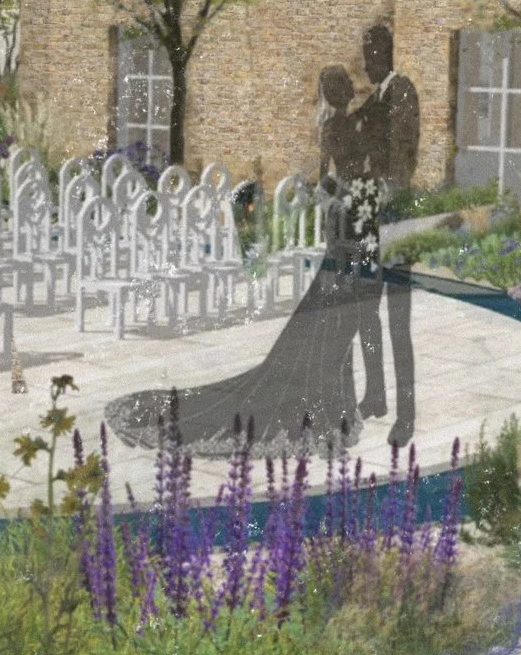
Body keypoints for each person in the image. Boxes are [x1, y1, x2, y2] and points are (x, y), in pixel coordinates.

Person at [105, 65, 372, 456]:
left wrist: (339, 192)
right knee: (333, 313)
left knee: (331, 313)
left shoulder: (334, 128)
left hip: (343, 219)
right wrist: (352, 193)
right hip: (349, 222)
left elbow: (325, 181)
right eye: (346, 85)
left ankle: (330, 408)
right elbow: (339, 177)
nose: (349, 88)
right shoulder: (347, 127)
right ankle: (329, 410)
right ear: (343, 91)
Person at [351, 23, 420, 445]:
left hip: (393, 220)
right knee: (364, 311)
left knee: (398, 321)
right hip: (369, 218)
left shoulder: (402, 92)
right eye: (364, 55)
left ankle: (406, 415)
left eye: (372, 55)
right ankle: (375, 395)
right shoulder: (375, 98)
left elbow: (402, 158)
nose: (367, 63)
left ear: (386, 55)